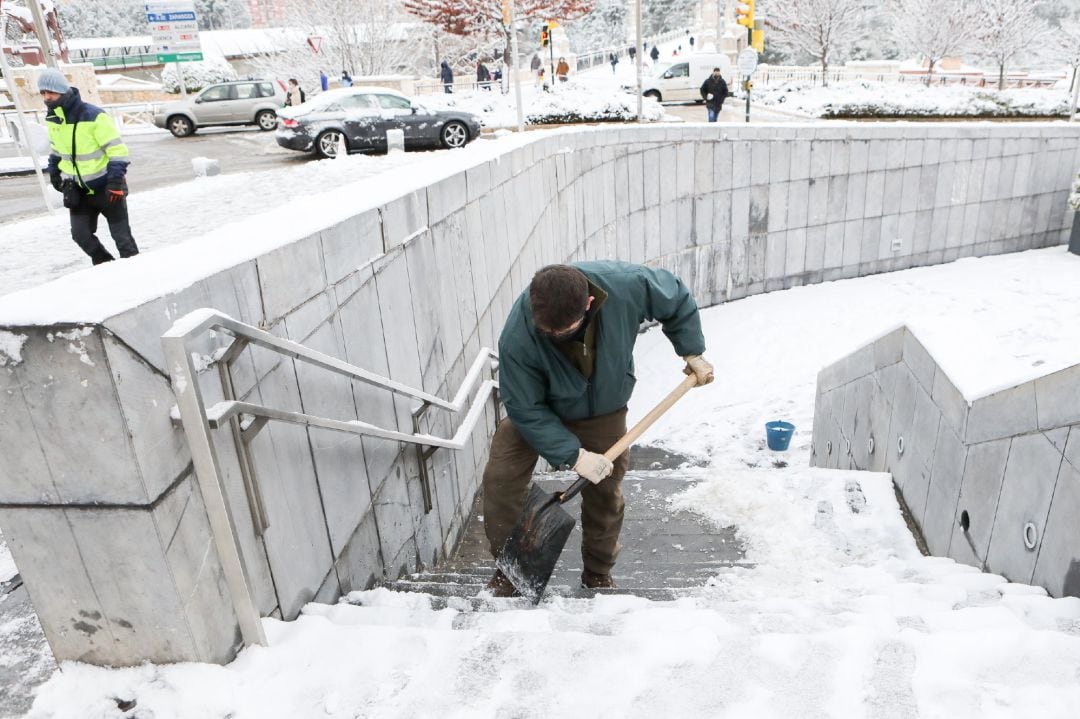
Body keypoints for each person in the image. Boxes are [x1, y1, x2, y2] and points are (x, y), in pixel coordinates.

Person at [483, 262, 714, 596]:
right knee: (501, 478)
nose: (554, 336)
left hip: (602, 408)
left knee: (606, 490)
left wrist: (691, 350)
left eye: (564, 330)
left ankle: (598, 572)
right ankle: (511, 571)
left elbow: (675, 298)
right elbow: (524, 407)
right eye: (548, 331)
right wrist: (573, 455)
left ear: (589, 303)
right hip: (539, 408)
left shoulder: (627, 287)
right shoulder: (519, 335)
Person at [39, 68, 138, 265]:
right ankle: (106, 266)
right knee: (80, 235)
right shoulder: (53, 119)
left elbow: (117, 151)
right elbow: (57, 149)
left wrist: (116, 182)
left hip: (107, 187)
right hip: (79, 191)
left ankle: (136, 273)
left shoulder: (94, 116)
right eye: (43, 93)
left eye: (50, 92)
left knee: (123, 239)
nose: (46, 97)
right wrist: (54, 171)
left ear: (62, 90)